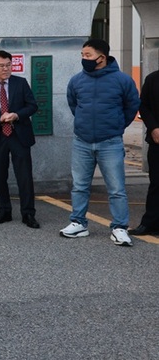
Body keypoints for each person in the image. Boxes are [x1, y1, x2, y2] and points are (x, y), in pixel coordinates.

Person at [63, 39, 140, 246]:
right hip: (82, 141)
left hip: (110, 142)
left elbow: (132, 106)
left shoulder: (123, 80)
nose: (84, 59)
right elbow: (73, 104)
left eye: (88, 55)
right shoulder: (76, 80)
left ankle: (119, 227)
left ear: (102, 57)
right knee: (79, 186)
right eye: (82, 55)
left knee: (116, 189)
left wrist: (116, 126)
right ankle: (78, 223)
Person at [0, 50, 40, 228]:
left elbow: (32, 106)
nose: (6, 69)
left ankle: (28, 213)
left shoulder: (21, 83)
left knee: (24, 176)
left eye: (9, 65)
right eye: (1, 66)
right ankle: (3, 211)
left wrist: (17, 115)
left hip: (19, 135)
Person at [131, 67, 159, 236]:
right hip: (157, 141)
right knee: (156, 183)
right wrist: (154, 128)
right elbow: (144, 105)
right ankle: (150, 223)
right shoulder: (153, 79)